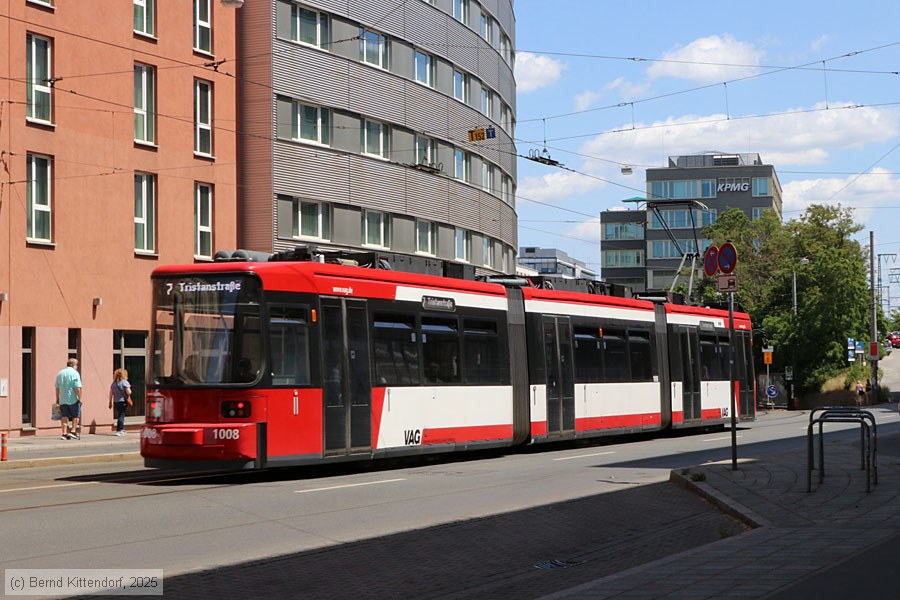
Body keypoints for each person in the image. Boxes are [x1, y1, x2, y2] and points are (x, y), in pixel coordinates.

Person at [55, 358, 83, 440]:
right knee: (76, 415)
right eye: (76, 365)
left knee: (64, 416)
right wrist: (80, 398)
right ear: (73, 365)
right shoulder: (75, 373)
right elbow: (77, 387)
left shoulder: (60, 373)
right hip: (73, 398)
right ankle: (73, 431)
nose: (77, 366)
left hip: (62, 399)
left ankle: (64, 433)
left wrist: (57, 399)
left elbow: (57, 388)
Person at [108, 368, 132, 436]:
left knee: (119, 415)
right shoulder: (124, 382)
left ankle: (120, 429)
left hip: (116, 401)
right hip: (123, 401)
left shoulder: (113, 383)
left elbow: (110, 393)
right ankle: (120, 430)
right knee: (121, 415)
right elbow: (129, 392)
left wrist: (110, 402)